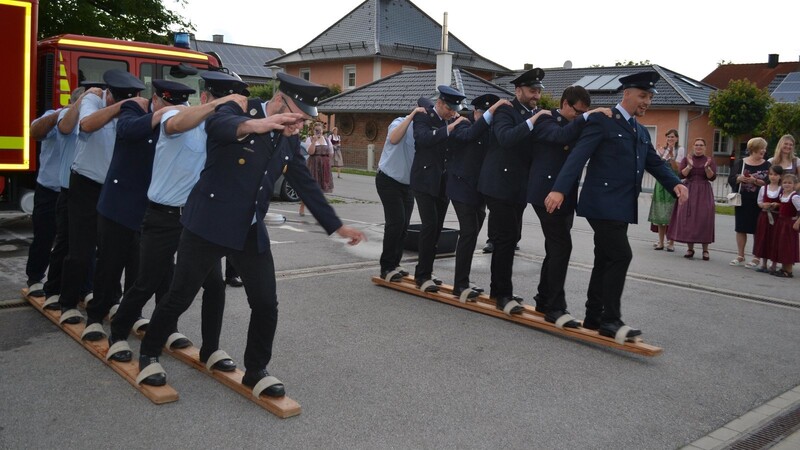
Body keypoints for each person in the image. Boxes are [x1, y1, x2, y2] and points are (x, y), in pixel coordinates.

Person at [137, 73, 365, 397]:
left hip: (247, 227)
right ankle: (148, 353)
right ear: (281, 102)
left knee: (265, 302)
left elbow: (304, 183)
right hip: (208, 223)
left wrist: (337, 226)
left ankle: (256, 369)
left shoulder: (286, 139)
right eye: (297, 117)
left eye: (304, 121)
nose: (299, 126)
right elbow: (218, 127)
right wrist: (260, 124)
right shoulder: (239, 109)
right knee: (180, 296)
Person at [107, 71, 248, 365]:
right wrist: (216, 106)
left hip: (198, 221)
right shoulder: (176, 114)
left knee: (213, 284)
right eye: (221, 102)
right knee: (148, 281)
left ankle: (211, 349)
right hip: (163, 216)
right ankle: (118, 334)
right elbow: (175, 124)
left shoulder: (222, 129)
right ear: (206, 98)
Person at [545, 71, 688, 340]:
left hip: (621, 206)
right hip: (601, 203)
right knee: (621, 255)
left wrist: (675, 183)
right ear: (627, 94)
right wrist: (559, 189)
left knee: (605, 257)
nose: (647, 101)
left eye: (650, 97)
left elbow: (654, 162)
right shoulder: (604, 120)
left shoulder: (639, 130)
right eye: (643, 96)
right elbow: (578, 155)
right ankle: (611, 320)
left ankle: (594, 315)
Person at [81, 78, 191, 342]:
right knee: (109, 266)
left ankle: (163, 325)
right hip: (120, 205)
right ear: (155, 101)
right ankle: (95, 317)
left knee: (154, 270)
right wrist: (161, 114)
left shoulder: (181, 123)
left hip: (154, 209)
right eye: (165, 105)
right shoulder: (134, 112)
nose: (171, 111)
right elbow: (129, 131)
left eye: (176, 106)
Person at [57, 69, 148, 325]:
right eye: (117, 100)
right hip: (85, 184)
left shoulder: (134, 108)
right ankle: (68, 302)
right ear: (110, 94)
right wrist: (120, 107)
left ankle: (113, 302)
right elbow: (86, 125)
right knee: (80, 249)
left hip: (116, 188)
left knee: (118, 251)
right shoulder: (93, 99)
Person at [527, 85, 610, 326]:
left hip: (566, 196)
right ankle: (555, 308)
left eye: (584, 111)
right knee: (561, 247)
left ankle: (543, 298)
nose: (579, 114)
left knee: (555, 249)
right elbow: (560, 137)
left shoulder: (577, 122)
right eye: (576, 110)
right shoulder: (545, 119)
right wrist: (588, 116)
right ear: (564, 104)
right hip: (546, 194)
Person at [480, 68, 550, 314]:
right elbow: (506, 138)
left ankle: (498, 289)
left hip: (518, 188)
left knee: (511, 239)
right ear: (518, 90)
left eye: (539, 91)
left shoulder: (532, 114)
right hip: (499, 186)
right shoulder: (505, 111)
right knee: (504, 240)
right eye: (532, 91)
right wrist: (534, 120)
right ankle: (503, 295)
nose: (536, 96)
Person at [446, 94, 511, 300]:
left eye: (489, 113)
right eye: (483, 113)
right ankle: (460, 285)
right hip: (461, 188)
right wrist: (492, 113)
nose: (486, 117)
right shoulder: (462, 125)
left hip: (479, 192)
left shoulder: (491, 131)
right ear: (476, 112)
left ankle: (463, 279)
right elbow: (470, 135)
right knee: (468, 232)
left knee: (472, 235)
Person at [41, 87, 100, 309]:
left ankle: (85, 289)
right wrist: (82, 101)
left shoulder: (96, 118)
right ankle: (53, 289)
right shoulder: (68, 116)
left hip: (91, 191)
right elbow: (64, 128)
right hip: (68, 191)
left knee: (88, 247)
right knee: (65, 244)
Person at [410, 85, 467, 293]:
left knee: (437, 229)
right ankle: (422, 276)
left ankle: (427, 270)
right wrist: (450, 127)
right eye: (449, 108)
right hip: (424, 181)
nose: (453, 113)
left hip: (443, 183)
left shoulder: (449, 119)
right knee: (429, 226)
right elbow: (424, 138)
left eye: (455, 109)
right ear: (440, 103)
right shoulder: (424, 117)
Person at [376, 98, 430, 282]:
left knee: (404, 225)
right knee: (395, 222)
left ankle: (395, 263)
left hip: (408, 185)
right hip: (388, 179)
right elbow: (394, 138)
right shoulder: (399, 122)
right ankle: (386, 267)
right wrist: (412, 116)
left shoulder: (423, 132)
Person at [25, 108, 67, 296]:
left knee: (77, 242)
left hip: (76, 191)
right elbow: (35, 132)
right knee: (44, 236)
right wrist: (61, 114)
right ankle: (35, 278)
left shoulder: (95, 119)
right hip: (50, 190)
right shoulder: (54, 115)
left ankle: (79, 285)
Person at [667, 138, 717, 261]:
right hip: (689, 189)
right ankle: (690, 248)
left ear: (705, 147)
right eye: (696, 145)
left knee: (705, 218)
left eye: (701, 145)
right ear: (693, 146)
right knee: (689, 218)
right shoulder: (686, 159)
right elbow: (681, 175)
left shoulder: (709, 160)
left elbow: (712, 178)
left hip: (704, 190)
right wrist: (689, 166)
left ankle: (705, 250)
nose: (698, 147)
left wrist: (707, 168)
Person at [728, 137, 771, 268]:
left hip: (759, 201)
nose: (763, 150)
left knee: (758, 229)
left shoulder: (767, 165)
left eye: (764, 148)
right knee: (741, 228)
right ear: (753, 149)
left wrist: (755, 181)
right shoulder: (742, 163)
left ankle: (756, 257)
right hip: (743, 200)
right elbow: (731, 178)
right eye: (761, 148)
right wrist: (739, 178)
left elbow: (771, 182)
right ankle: (740, 255)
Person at [648, 129, 684, 252]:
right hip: (660, 183)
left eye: (673, 137)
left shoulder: (680, 150)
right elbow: (658, 167)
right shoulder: (662, 150)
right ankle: (661, 241)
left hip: (673, 181)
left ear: (677, 138)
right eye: (668, 137)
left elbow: (677, 169)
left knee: (670, 213)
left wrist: (672, 157)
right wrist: (662, 154)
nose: (670, 139)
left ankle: (671, 242)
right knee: (660, 212)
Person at [753, 165, 784, 274]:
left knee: (774, 239)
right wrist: (763, 205)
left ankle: (774, 264)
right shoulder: (763, 188)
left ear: (780, 176)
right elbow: (759, 202)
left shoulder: (782, 189)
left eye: (775, 175)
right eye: (771, 174)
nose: (773, 177)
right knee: (764, 238)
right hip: (765, 217)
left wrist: (777, 205)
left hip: (776, 218)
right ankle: (764, 263)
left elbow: (784, 203)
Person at [300, 122, 333, 216]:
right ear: (313, 130)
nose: (318, 132)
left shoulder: (327, 139)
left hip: (324, 165)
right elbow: (310, 152)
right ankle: (302, 205)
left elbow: (331, 153)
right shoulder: (310, 139)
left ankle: (319, 210)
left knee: (322, 187)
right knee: (309, 187)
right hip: (313, 164)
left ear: (322, 130)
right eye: (316, 130)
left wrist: (326, 162)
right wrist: (314, 141)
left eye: (320, 130)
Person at [770, 173, 800, 278]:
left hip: (789, 224)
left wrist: (797, 221)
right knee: (782, 245)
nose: (787, 185)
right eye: (785, 182)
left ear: (795, 185)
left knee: (788, 246)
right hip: (781, 223)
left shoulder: (794, 197)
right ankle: (783, 268)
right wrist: (777, 205)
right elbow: (783, 206)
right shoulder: (782, 194)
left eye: (790, 183)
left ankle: (788, 270)